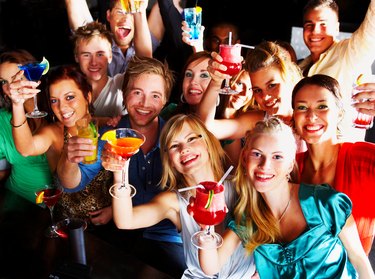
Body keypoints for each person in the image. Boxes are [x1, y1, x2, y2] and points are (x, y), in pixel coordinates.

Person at [57, 56, 186, 278]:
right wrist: (69, 158)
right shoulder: (109, 135)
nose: (145, 104)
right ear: (124, 95)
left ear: (164, 101)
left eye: (155, 96)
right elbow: (70, 184)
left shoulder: (177, 137)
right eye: (137, 92)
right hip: (125, 230)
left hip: (169, 235)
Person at [198, 117, 374, 278]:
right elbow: (212, 267)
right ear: (244, 159)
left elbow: (360, 261)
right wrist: (206, 226)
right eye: (257, 154)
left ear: (290, 165)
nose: (265, 166)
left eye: (277, 157)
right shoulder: (248, 219)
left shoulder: (325, 202)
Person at [109, 113, 255, 278]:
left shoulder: (241, 186)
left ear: (208, 142)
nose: (184, 149)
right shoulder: (174, 201)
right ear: (169, 160)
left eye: (192, 139)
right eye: (174, 146)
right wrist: (119, 173)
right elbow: (125, 221)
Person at [292, 74, 375, 255]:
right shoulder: (289, 168)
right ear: (294, 116)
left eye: (322, 106)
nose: (311, 116)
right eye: (302, 107)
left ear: (340, 113)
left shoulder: (363, 159)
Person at [198, 41, 305, 152]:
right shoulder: (260, 121)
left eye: (272, 85)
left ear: (290, 77)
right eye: (257, 90)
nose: (265, 97)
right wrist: (216, 81)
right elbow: (207, 128)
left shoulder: (312, 116)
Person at [298, 0, 375, 142]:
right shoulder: (299, 69)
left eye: (323, 24)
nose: (315, 31)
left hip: (345, 153)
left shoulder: (351, 53)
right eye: (309, 25)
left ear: (336, 28)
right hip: (307, 157)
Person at [0, 49, 53, 210]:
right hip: (16, 200)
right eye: (3, 82)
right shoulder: (2, 120)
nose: (10, 87)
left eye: (17, 78)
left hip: (55, 205)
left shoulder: (57, 108)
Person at [64, 0, 153, 76]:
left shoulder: (144, 40)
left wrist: (140, 11)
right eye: (120, 12)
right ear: (109, 15)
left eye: (132, 14)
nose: (125, 19)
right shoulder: (98, 41)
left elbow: (145, 62)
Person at [71, 21, 126, 121]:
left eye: (100, 54)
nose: (93, 62)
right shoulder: (69, 91)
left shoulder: (120, 84)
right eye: (86, 55)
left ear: (110, 56)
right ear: (76, 57)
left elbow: (145, 60)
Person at [160, 51, 212, 121]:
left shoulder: (228, 119)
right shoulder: (170, 112)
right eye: (188, 74)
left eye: (204, 75)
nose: (193, 81)